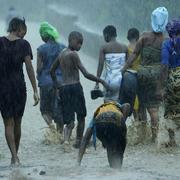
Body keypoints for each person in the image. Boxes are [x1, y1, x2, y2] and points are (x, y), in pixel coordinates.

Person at [50, 31, 109, 150]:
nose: (80, 46)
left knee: (69, 120)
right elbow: (86, 74)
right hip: (75, 87)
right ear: (71, 40)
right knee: (81, 116)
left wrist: (57, 86)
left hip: (64, 88)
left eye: (81, 44)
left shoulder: (61, 54)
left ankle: (66, 141)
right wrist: (101, 80)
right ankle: (78, 141)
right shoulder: (73, 55)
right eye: (78, 43)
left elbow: (51, 71)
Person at [122, 7, 169, 142]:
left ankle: (141, 135)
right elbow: (165, 64)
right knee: (154, 108)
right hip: (156, 77)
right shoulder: (165, 41)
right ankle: (154, 138)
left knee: (141, 105)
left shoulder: (144, 36)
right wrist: (161, 86)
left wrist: (124, 68)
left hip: (142, 75)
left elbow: (134, 55)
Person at [0, 17, 39, 165]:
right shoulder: (24, 45)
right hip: (18, 88)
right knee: (18, 123)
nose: (25, 34)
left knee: (8, 124)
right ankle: (15, 156)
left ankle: (14, 156)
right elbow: (29, 67)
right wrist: (35, 89)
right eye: (24, 31)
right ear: (19, 28)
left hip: (3, 88)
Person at [78, 102, 130, 168]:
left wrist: (78, 162)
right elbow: (127, 105)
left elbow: (85, 139)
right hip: (116, 120)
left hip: (100, 122)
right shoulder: (118, 107)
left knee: (109, 146)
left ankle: (112, 168)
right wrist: (123, 121)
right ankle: (118, 168)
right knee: (119, 146)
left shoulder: (99, 111)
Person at [37, 22, 65, 133]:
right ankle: (60, 134)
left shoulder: (41, 49)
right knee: (59, 110)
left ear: (45, 35)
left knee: (45, 110)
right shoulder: (63, 48)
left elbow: (38, 69)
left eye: (41, 35)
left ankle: (51, 126)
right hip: (60, 82)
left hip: (45, 82)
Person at [158, 19, 180, 147]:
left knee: (170, 110)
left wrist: (161, 87)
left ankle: (172, 140)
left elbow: (164, 65)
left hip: (172, 80)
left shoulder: (166, 44)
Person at [95, 25, 128, 102]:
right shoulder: (125, 47)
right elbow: (127, 65)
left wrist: (97, 82)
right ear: (115, 35)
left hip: (109, 81)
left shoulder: (104, 47)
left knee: (108, 104)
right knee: (119, 103)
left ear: (106, 35)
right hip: (121, 81)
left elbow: (100, 65)